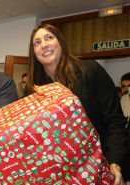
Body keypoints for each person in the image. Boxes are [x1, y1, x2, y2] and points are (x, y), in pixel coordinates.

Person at [26, 24, 129, 183]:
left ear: (60, 42)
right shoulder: (33, 90)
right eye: (37, 42)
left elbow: (115, 121)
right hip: (58, 173)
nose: (44, 45)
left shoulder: (90, 71)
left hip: (99, 166)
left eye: (49, 38)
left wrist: (114, 162)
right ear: (34, 53)